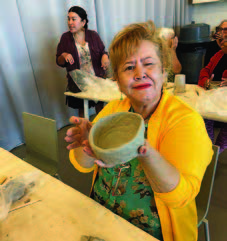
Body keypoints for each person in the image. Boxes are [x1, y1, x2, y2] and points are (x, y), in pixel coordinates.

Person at [65, 21, 213, 241]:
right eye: (128, 67)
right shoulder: (116, 109)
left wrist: (146, 152)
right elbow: (82, 166)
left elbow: (180, 196)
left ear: (164, 72)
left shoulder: (185, 120)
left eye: (148, 64)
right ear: (118, 82)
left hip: (152, 232)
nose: (140, 73)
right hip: (102, 218)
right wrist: (88, 146)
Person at [56, 6, 110, 117]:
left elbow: (103, 52)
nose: (70, 22)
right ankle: (83, 132)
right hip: (77, 83)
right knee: (82, 110)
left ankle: (101, 130)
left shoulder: (93, 35)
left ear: (83, 22)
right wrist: (63, 55)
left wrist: (105, 57)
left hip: (96, 79)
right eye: (68, 19)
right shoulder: (65, 38)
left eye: (73, 19)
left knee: (100, 107)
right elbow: (59, 61)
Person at [198, 28, 227, 153]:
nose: (222, 35)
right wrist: (205, 80)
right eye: (220, 31)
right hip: (214, 98)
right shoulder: (218, 55)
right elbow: (205, 70)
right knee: (205, 118)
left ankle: (216, 152)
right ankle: (209, 151)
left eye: (225, 31)